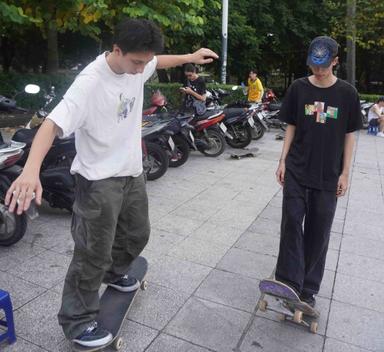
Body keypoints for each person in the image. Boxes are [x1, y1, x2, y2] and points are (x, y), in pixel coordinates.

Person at [5, 18, 218, 348]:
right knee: (92, 253)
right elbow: (50, 125)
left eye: (145, 62)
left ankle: (114, 272)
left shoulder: (140, 63)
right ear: (117, 50)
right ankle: (76, 321)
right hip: (98, 181)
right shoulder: (90, 82)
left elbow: (158, 61)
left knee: (138, 234)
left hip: (131, 173)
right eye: (136, 62)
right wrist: (31, 171)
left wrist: (190, 56)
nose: (141, 70)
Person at [272, 36, 362, 308]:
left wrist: (346, 173)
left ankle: (308, 289)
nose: (318, 71)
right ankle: (288, 280)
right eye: (314, 65)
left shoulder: (347, 94)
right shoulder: (299, 88)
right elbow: (291, 126)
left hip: (328, 174)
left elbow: (350, 135)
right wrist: (282, 160)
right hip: (298, 169)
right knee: (291, 221)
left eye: (324, 66)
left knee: (319, 230)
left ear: (335, 61)